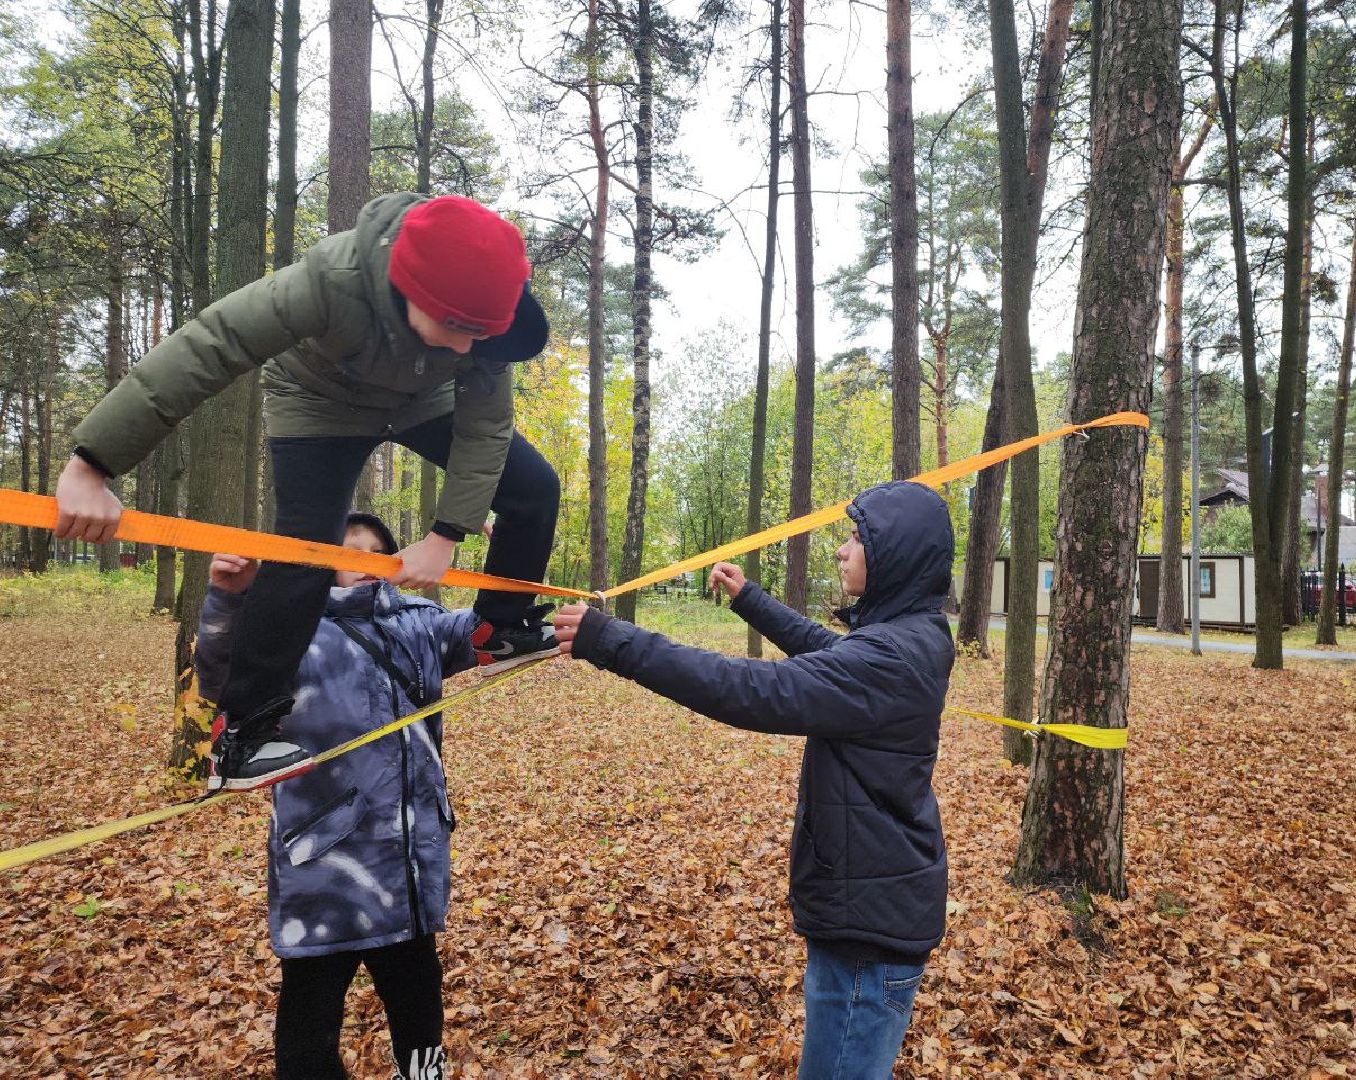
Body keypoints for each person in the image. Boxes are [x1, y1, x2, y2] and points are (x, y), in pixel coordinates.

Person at [54, 193, 560, 789]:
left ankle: (498, 628)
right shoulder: (329, 281)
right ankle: (243, 732)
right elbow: (209, 346)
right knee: (306, 546)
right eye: (454, 327)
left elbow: (486, 428)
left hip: (425, 399)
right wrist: (93, 462)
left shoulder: (481, 326)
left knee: (534, 487)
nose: (466, 347)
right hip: (319, 401)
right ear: (408, 287)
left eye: (481, 335)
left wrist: (446, 534)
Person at [553, 481, 955, 1079]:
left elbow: (752, 691)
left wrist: (613, 641)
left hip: (869, 930)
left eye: (856, 539)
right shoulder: (907, 638)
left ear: (895, 553)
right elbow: (827, 651)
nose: (843, 551)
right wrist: (752, 600)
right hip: (874, 905)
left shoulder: (890, 657)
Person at [195, 512, 492, 1080]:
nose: (359, 564)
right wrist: (228, 598)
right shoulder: (290, 632)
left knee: (420, 1032)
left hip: (406, 874)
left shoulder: (419, 624)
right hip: (322, 879)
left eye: (372, 554)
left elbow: (489, 631)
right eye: (345, 552)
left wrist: (509, 561)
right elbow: (221, 677)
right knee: (306, 1045)